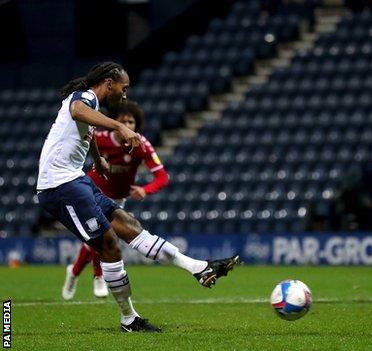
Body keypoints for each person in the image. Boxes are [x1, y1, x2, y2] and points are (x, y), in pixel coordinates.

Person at [36, 62, 240, 332]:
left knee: (129, 224)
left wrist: (98, 160)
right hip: (59, 185)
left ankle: (198, 267)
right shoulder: (85, 97)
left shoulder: (92, 106)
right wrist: (120, 128)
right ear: (109, 82)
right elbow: (77, 111)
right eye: (124, 87)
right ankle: (129, 319)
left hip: (77, 179)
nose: (125, 94)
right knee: (109, 244)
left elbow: (87, 130)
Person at [62, 100, 170, 300]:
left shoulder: (141, 144)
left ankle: (74, 272)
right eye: (124, 121)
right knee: (100, 235)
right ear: (115, 122)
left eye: (132, 122)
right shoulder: (101, 138)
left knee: (92, 241)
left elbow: (163, 177)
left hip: (118, 199)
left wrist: (146, 190)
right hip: (93, 193)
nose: (128, 126)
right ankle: (99, 276)